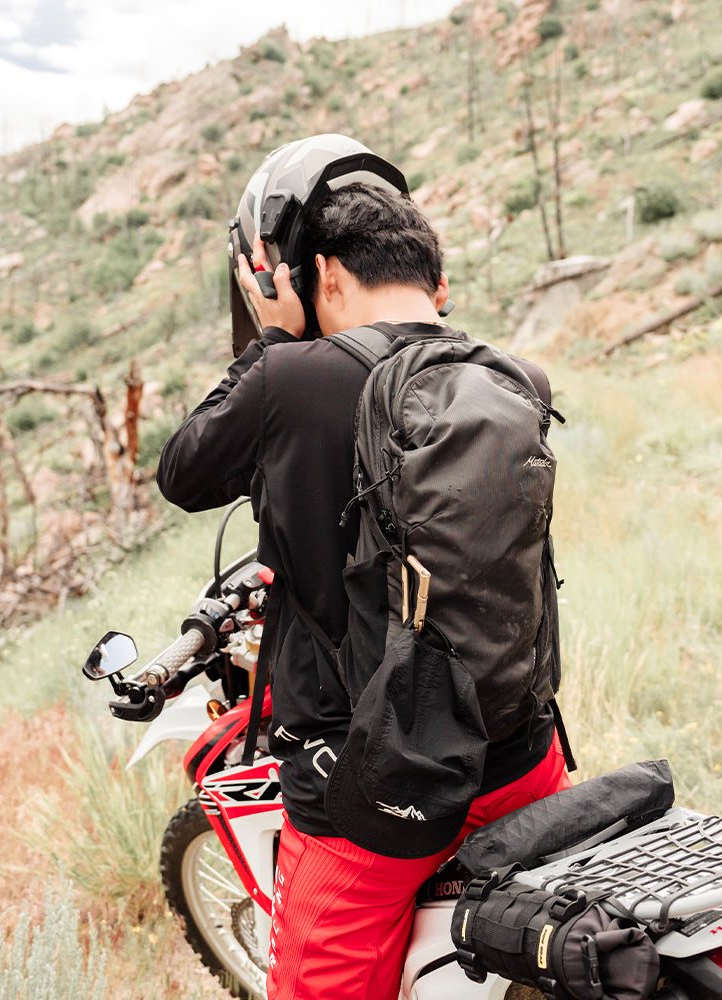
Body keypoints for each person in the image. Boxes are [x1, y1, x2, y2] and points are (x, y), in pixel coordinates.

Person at [156, 134, 571, 1000]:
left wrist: (268, 340)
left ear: (326, 272)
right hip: (525, 756)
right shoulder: (510, 375)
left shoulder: (291, 381)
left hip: (378, 792)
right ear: (437, 284)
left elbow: (184, 473)